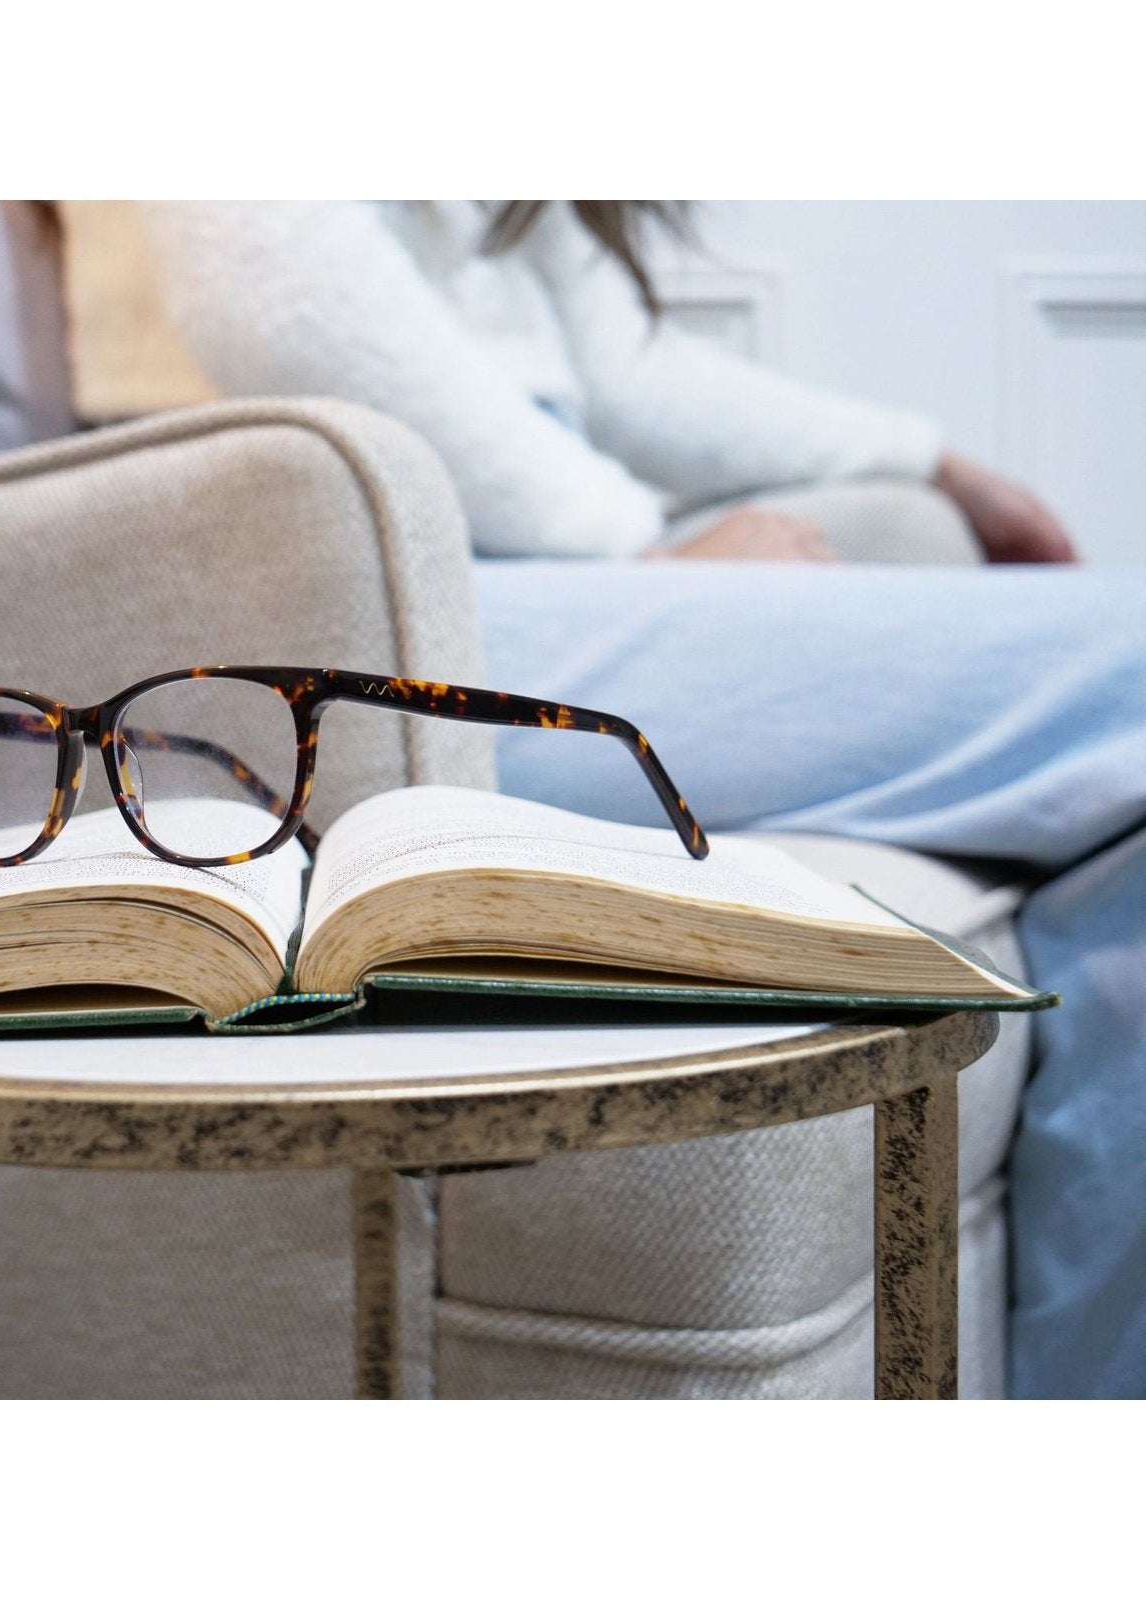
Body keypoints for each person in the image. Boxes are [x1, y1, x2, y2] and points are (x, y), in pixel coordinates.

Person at [141, 200, 1145, 1399]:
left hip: (564, 569)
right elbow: (274, 284)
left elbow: (623, 371)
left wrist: (930, 461)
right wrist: (646, 553)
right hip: (430, 594)